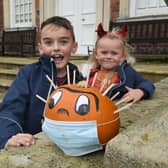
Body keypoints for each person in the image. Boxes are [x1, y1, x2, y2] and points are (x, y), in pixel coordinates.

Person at [0, 16, 84, 149]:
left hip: (66, 145)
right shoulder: (28, 74)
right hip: (33, 145)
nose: (56, 48)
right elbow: (10, 109)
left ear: (74, 47)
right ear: (40, 48)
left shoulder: (79, 78)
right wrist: (9, 136)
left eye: (63, 42)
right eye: (48, 42)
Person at [79, 23, 155, 103]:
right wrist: (82, 85)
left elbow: (147, 83)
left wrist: (140, 91)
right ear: (96, 55)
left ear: (122, 56)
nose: (108, 56)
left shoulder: (128, 72)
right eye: (104, 53)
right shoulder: (92, 72)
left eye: (114, 53)